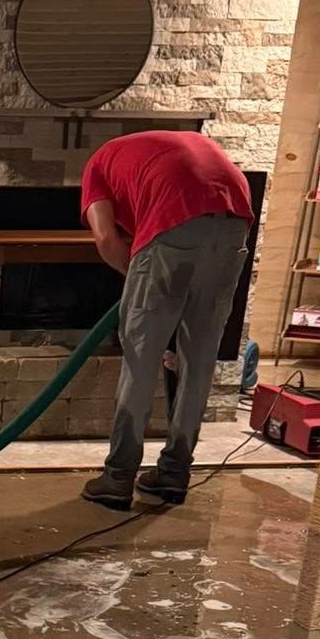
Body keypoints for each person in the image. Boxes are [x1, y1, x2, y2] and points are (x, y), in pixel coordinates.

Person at [78, 130, 254, 510]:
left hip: (174, 213)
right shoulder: (152, 150)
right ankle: (175, 473)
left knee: (141, 360)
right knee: (199, 358)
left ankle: (118, 478)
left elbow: (107, 239)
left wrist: (140, 288)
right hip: (235, 220)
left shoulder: (96, 167)